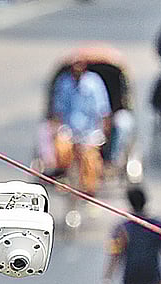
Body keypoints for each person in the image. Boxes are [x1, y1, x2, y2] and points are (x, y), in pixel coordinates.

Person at [49, 56, 112, 196]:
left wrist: (105, 134)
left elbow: (103, 110)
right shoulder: (64, 82)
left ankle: (89, 191)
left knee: (89, 159)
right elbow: (58, 109)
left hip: (90, 131)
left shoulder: (94, 83)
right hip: (69, 129)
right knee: (61, 146)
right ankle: (62, 174)